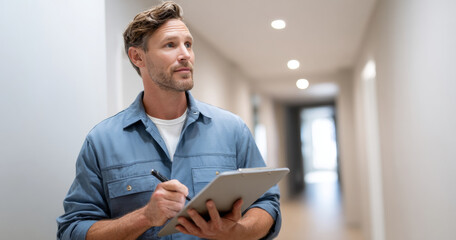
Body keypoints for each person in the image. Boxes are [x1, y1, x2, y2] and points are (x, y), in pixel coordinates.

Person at [57, 1, 281, 239]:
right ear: (137, 57)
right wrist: (145, 217)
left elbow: (267, 203)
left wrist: (237, 232)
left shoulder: (232, 129)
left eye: (188, 44)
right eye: (170, 45)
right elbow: (72, 230)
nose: (185, 55)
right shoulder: (101, 141)